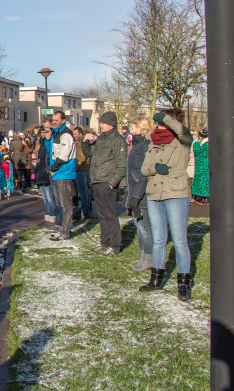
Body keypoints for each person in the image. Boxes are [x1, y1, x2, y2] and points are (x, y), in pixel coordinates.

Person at [139, 110, 194, 302]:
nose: (158, 126)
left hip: (175, 194)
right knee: (159, 239)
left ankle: (184, 283)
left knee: (179, 241)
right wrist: (155, 168)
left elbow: (185, 133)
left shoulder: (182, 142)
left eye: (161, 123)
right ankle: (156, 280)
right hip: (155, 195)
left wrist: (166, 118)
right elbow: (145, 168)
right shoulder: (153, 143)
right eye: (157, 122)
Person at [80, 111, 127, 255]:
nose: (100, 125)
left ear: (111, 124)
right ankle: (104, 243)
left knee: (111, 215)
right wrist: (84, 141)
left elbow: (122, 165)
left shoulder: (118, 140)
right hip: (97, 181)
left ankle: (116, 245)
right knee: (102, 215)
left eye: (103, 123)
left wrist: (112, 182)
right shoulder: (101, 139)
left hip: (107, 183)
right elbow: (89, 153)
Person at [125, 117, 153, 271]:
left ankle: (149, 258)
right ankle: (142, 257)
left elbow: (144, 174)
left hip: (141, 194)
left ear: (142, 129)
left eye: (133, 128)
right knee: (139, 226)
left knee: (144, 227)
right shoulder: (136, 146)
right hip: (134, 191)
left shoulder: (144, 147)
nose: (131, 131)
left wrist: (136, 196)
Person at [48, 111, 78, 242]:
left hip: (64, 173)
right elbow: (52, 152)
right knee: (61, 203)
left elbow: (63, 156)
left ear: (63, 120)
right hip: (59, 173)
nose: (54, 122)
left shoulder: (66, 134)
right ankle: (63, 229)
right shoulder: (57, 133)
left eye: (56, 120)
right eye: (53, 120)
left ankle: (65, 232)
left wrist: (53, 168)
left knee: (66, 204)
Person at [34, 126, 58, 228]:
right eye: (42, 132)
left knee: (50, 197)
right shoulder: (41, 144)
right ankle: (47, 217)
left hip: (46, 173)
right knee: (45, 198)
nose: (44, 134)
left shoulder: (49, 144)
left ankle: (52, 218)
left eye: (46, 132)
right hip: (40, 172)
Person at [73, 127, 91, 219]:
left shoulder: (81, 143)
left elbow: (82, 157)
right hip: (83, 168)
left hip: (81, 169)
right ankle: (85, 209)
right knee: (85, 191)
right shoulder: (79, 143)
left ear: (81, 134)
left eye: (76, 134)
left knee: (83, 191)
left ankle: (84, 210)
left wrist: (76, 168)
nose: (75, 136)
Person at [191, 127, 210, 204]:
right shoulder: (207, 143)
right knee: (204, 180)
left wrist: (197, 142)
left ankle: (203, 197)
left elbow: (197, 150)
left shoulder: (201, 144)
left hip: (202, 164)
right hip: (204, 163)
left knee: (202, 180)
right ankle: (204, 197)